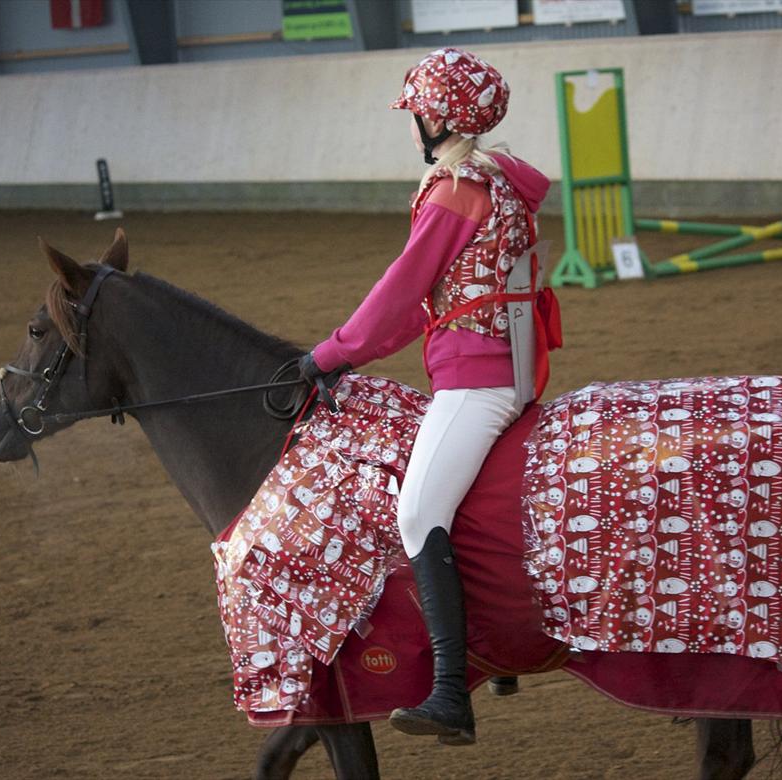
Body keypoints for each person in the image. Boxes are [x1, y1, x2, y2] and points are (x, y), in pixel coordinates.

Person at [298, 48, 551, 746]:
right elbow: (429, 303)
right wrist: (356, 350)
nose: (410, 125)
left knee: (416, 513)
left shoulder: (453, 190)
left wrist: (329, 354)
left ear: (438, 118)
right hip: (500, 365)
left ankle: (450, 694)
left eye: (414, 113)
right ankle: (497, 659)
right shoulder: (497, 179)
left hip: (479, 379)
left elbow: (400, 292)